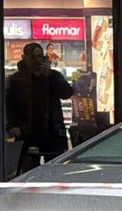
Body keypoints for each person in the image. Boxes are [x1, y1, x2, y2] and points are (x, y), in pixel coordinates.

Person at [6, 42, 74, 173]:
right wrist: (12, 125)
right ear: (24, 57)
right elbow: (9, 104)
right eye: (34, 57)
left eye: (40, 57)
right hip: (28, 132)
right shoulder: (17, 80)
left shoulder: (53, 76)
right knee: (29, 171)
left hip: (52, 132)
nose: (37, 60)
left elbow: (67, 93)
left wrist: (50, 75)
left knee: (55, 172)